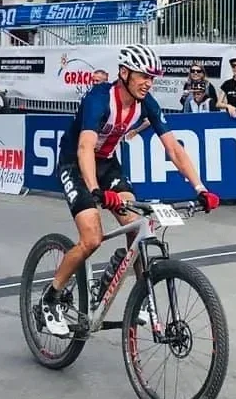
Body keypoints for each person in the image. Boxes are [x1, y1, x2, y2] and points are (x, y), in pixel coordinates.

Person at [40, 44, 220, 337]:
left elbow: (173, 148)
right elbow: (85, 146)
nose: (149, 82)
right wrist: (96, 191)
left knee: (139, 226)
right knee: (92, 239)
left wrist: (201, 188)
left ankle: (140, 298)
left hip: (107, 164)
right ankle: (51, 297)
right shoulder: (100, 99)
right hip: (75, 163)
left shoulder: (146, 102)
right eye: (143, 76)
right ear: (124, 73)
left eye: (152, 77)